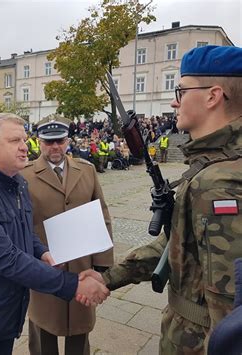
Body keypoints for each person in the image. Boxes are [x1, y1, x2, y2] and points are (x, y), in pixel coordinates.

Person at [95, 45, 242, 354]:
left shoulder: (218, 183)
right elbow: (178, 241)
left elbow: (230, 316)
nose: (174, 101)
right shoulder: (214, 164)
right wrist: (108, 278)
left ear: (213, 96)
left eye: (181, 90)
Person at [0, 113, 110, 355]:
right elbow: (6, 258)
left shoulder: (16, 182)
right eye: (15, 140)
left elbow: (23, 230)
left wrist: (42, 252)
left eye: (24, 139)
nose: (24, 146)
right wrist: (73, 285)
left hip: (3, 314)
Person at [22, 115, 113, 355]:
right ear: (39, 142)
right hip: (45, 266)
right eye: (49, 142)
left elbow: (101, 214)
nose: (55, 147)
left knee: (80, 331)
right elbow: (21, 225)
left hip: (82, 266)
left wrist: (102, 266)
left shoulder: (87, 169)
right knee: (43, 330)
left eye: (60, 141)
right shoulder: (25, 175)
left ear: (68, 141)